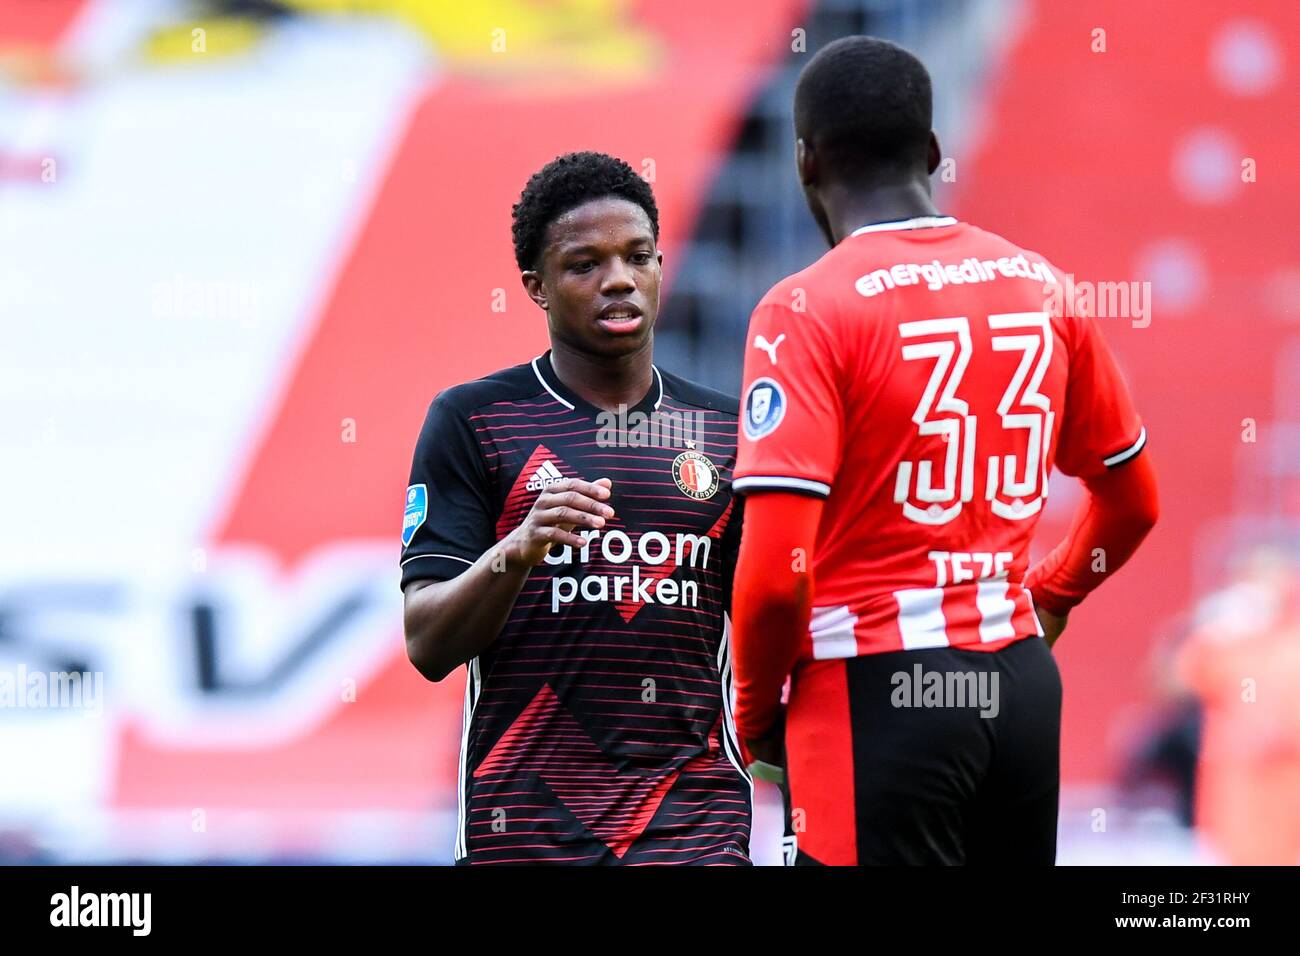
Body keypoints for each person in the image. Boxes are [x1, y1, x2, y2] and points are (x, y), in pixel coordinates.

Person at [729, 36, 1159, 865]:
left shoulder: (805, 310)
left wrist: (751, 715)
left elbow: (778, 575)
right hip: (1018, 687)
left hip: (873, 691)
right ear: (932, 151)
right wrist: (1052, 595)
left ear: (805, 162)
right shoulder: (1043, 285)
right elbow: (1135, 501)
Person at [401, 151, 751, 864]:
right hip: (525, 831)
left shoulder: (727, 432)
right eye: (585, 263)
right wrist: (516, 552)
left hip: (695, 827)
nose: (618, 279)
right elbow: (427, 645)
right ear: (536, 285)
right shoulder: (477, 421)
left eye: (637, 256)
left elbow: (777, 625)